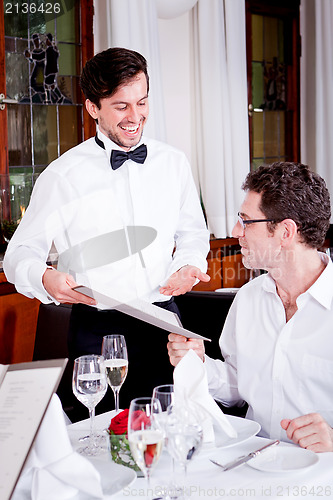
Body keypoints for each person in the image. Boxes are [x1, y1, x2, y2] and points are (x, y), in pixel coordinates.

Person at [4, 47, 210, 415]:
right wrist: (45, 278)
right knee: (100, 438)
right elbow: (19, 255)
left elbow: (193, 231)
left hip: (166, 322)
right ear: (93, 108)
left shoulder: (174, 163)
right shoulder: (62, 175)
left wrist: (189, 263)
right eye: (121, 106)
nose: (136, 117)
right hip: (98, 331)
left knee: (173, 431)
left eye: (142, 103)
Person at [168, 162, 333, 453]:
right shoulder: (248, 299)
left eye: (246, 221)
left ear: (285, 232)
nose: (235, 231)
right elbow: (237, 385)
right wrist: (199, 364)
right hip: (252, 462)